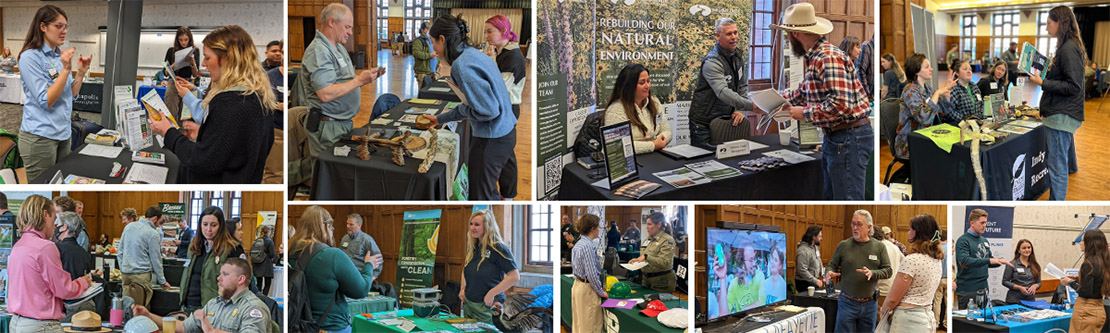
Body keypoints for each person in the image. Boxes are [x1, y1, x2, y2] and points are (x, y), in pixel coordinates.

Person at [151, 25, 277, 184]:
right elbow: (238, 145)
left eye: (208, 58)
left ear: (226, 59)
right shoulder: (259, 96)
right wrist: (207, 132)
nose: (203, 64)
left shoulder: (228, 101)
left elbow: (202, 161)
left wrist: (168, 132)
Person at [772, 3, 872, 200]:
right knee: (833, 197)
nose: (787, 39)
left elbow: (841, 104)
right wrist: (776, 101)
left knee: (845, 199)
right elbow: (804, 92)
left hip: (848, 137)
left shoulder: (826, 57)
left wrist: (804, 113)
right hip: (839, 137)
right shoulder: (818, 56)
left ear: (795, 34)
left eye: (787, 35)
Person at [420, 14, 517, 201]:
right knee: (488, 192)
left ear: (442, 39)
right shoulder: (473, 54)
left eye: (434, 43)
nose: (435, 49)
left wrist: (452, 114)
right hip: (504, 133)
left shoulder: (462, 65)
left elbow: (488, 110)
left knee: (481, 196)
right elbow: (479, 104)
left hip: (492, 139)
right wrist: (442, 118)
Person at [290, 4, 387, 187]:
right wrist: (360, 81)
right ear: (332, 22)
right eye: (348, 27)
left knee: (329, 171)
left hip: (340, 123)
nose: (351, 32)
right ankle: (286, 178)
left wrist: (367, 77)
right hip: (327, 125)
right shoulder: (319, 51)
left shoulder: (338, 48)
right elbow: (325, 94)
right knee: (327, 177)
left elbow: (345, 80)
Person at [17, 5, 93, 181]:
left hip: (63, 133)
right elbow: (46, 100)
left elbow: (70, 94)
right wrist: (66, 69)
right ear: (43, 27)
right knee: (43, 187)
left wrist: (80, 73)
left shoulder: (58, 56)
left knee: (60, 182)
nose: (64, 31)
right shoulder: (30, 57)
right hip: (40, 137)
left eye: (65, 26)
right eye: (58, 26)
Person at [8, 195, 98, 331]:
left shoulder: (18, 246)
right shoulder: (45, 247)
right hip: (41, 325)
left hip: (17, 323)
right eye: (54, 218)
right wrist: (84, 282)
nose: (55, 225)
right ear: (45, 215)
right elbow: (64, 289)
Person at [1025, 6, 1087, 201]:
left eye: (1048, 24)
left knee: (1057, 168)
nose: (1046, 28)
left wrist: (1043, 82)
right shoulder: (1068, 46)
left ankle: (1055, 204)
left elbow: (1073, 86)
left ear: (1060, 23)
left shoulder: (1068, 48)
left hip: (1062, 115)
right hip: (1060, 113)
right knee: (1058, 165)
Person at [290, 206, 375, 333]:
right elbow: (361, 290)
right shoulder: (332, 256)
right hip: (330, 326)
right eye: (331, 227)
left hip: (298, 324)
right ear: (326, 227)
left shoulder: (291, 251)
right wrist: (369, 265)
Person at [134, 258, 271, 333]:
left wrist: (211, 330)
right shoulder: (215, 304)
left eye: (225, 274)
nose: (219, 278)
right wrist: (149, 316)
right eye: (220, 274)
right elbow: (184, 327)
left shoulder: (253, 308)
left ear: (240, 279)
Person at [824, 210, 892, 332]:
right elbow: (831, 265)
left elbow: (888, 271)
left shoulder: (879, 247)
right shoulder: (844, 245)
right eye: (853, 224)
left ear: (869, 227)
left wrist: (873, 273)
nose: (855, 228)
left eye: (859, 224)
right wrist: (829, 272)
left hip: (870, 304)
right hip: (847, 302)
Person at [688, 17, 752, 146]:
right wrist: (752, 106)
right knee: (704, 161)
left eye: (735, 32)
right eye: (729, 34)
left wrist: (740, 110)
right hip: (703, 123)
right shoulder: (712, 61)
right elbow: (722, 92)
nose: (734, 37)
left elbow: (742, 85)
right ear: (718, 36)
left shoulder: (737, 57)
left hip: (725, 119)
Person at [879, 214, 944, 332]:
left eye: (910, 229)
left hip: (908, 321)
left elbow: (893, 299)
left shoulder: (912, 260)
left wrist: (883, 312)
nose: (908, 232)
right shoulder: (937, 260)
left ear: (917, 232)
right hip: (927, 317)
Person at [180, 207, 246, 312]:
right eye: (205, 224)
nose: (208, 229)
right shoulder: (194, 246)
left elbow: (240, 282)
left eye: (213, 225)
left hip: (215, 309)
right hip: (188, 305)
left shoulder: (232, 249)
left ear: (221, 226)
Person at [460, 210, 520, 323]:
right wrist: (463, 288)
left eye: (477, 225)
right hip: (469, 304)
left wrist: (492, 293)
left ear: (487, 227)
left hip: (487, 306)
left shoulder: (499, 248)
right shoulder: (474, 246)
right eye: (471, 224)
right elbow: (466, 269)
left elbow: (514, 276)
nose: (472, 228)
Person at [894, 53, 956, 159]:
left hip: (927, 137)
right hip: (909, 144)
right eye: (927, 67)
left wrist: (946, 95)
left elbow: (944, 112)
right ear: (917, 70)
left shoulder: (927, 87)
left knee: (955, 148)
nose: (931, 69)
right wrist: (936, 94)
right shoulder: (910, 90)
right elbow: (924, 118)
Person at [603, 64, 671, 154]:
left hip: (654, 157)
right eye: (642, 83)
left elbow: (667, 130)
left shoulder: (654, 102)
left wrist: (663, 138)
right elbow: (617, 146)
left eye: (648, 81)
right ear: (629, 86)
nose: (647, 86)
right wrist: (653, 145)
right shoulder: (615, 111)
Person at [955, 208, 1013, 309]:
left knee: (981, 320)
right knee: (968, 321)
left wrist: (999, 261)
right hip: (968, 289)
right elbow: (965, 260)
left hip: (983, 287)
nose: (984, 226)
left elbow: (988, 261)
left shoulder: (984, 240)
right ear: (972, 223)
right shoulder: (963, 240)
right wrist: (990, 260)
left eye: (985, 223)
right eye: (982, 223)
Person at [119, 206, 170, 308]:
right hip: (141, 277)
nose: (159, 225)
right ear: (155, 219)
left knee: (127, 310)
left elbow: (120, 252)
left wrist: (124, 269)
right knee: (141, 312)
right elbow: (156, 260)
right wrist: (162, 281)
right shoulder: (153, 234)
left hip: (125, 275)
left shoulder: (129, 227)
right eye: (160, 222)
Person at [1062, 229, 1110, 331]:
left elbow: (1085, 292)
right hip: (1098, 309)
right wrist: (1078, 279)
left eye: (1082, 240)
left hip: (1086, 310)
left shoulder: (1089, 263)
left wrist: (1070, 283)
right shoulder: (1104, 262)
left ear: (1090, 243)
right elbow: (1096, 284)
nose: (1080, 243)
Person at [570, 213, 606, 333]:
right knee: (591, 326)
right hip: (587, 288)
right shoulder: (588, 246)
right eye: (599, 227)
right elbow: (591, 274)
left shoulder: (579, 244)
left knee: (580, 325)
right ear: (593, 228)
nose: (599, 230)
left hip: (578, 285)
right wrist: (601, 292)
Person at [627, 212, 676, 292]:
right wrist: (637, 261)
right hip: (646, 279)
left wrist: (646, 257)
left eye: (649, 224)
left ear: (659, 224)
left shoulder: (667, 240)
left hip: (661, 281)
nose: (647, 227)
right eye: (647, 224)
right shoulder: (647, 240)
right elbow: (644, 257)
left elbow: (664, 262)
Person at [339, 213, 384, 280]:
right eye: (347, 223)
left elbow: (378, 260)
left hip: (360, 278)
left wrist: (371, 279)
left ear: (359, 226)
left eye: (351, 224)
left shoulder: (367, 240)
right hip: (344, 277)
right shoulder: (344, 238)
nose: (348, 226)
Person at [940, 59, 983, 123]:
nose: (969, 71)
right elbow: (950, 112)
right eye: (965, 69)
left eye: (970, 69)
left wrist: (980, 118)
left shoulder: (974, 86)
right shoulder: (953, 88)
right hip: (960, 125)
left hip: (977, 124)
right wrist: (966, 121)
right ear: (957, 73)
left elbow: (981, 104)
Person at [55, 212, 93, 280]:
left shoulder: (56, 249)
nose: (56, 227)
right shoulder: (84, 253)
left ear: (64, 227)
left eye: (58, 224)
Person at [1002, 239, 1041, 304]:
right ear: (1019, 250)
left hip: (1030, 300)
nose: (1027, 250)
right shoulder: (1012, 264)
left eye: (1029, 247)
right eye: (1024, 248)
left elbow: (1039, 282)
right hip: (1014, 300)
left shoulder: (1035, 265)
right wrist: (1020, 288)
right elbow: (1005, 281)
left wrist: (1035, 286)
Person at [875, 226, 904, 310]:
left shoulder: (877, 247)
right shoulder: (894, 246)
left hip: (881, 289)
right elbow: (903, 261)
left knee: (880, 319)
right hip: (894, 287)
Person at [795, 226, 824, 292]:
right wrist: (816, 281)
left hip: (812, 281)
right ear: (814, 237)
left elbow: (819, 260)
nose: (821, 238)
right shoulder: (803, 251)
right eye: (819, 236)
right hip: (804, 283)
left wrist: (823, 275)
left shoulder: (815, 247)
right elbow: (802, 270)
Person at [252, 225, 277, 295]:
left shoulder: (256, 241)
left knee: (259, 283)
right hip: (266, 265)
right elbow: (272, 254)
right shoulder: (269, 241)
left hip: (257, 265)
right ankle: (264, 298)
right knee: (267, 283)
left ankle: (258, 297)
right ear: (269, 232)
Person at [413, 21, 438, 88]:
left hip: (432, 71)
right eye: (427, 29)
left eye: (429, 29)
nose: (429, 31)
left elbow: (434, 52)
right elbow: (416, 53)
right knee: (423, 93)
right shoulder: (418, 41)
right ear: (422, 30)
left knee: (430, 94)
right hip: (423, 72)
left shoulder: (430, 40)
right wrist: (429, 55)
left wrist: (438, 63)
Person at [857, 37, 874, 101]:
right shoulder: (866, 46)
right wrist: (867, 94)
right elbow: (861, 71)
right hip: (865, 95)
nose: (860, 50)